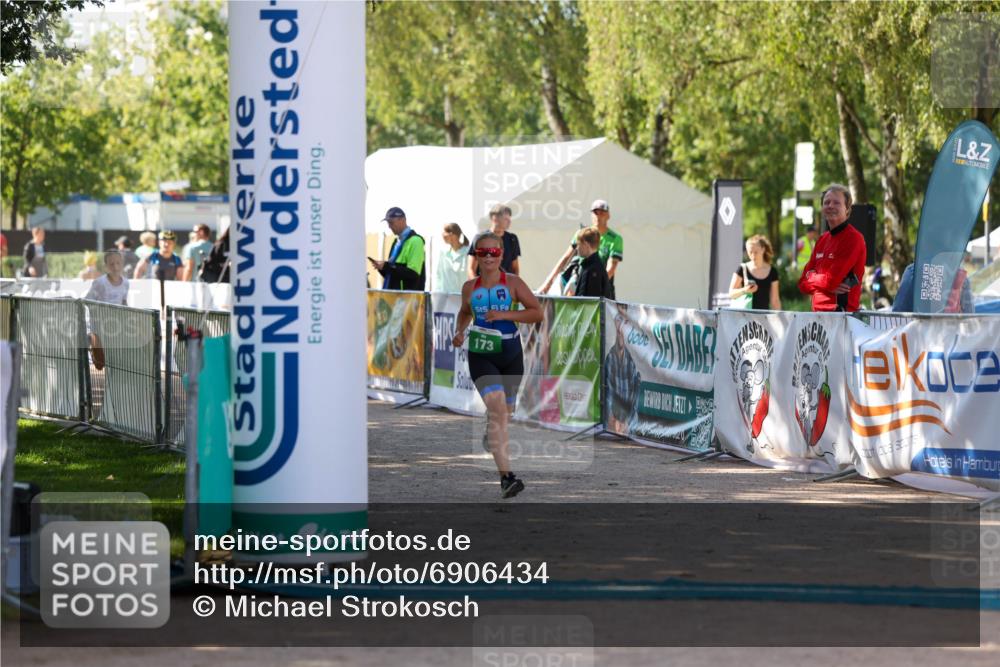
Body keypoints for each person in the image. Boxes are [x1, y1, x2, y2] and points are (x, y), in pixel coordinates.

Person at [452, 232, 543, 499]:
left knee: (506, 412)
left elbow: (536, 312)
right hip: (482, 355)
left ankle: (492, 425)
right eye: (483, 253)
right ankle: (507, 478)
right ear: (476, 256)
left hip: (511, 355)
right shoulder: (470, 287)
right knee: (499, 410)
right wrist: (459, 332)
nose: (489, 257)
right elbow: (465, 312)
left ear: (501, 254)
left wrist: (505, 314)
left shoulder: (514, 283)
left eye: (494, 252)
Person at [797, 184, 866, 312]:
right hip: (817, 317)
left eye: (836, 203)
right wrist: (825, 284)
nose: (830, 206)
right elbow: (802, 284)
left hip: (841, 316)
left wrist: (812, 277)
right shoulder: (822, 239)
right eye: (827, 202)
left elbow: (831, 281)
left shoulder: (853, 238)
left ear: (847, 209)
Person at [540, 199, 623, 298]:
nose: (598, 216)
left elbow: (611, 268)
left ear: (608, 215)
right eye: (595, 212)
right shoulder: (583, 233)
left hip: (600, 285)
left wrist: (599, 282)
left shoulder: (615, 238)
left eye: (602, 213)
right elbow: (566, 258)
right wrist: (547, 284)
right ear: (591, 214)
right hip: (579, 280)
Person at [84, 250, 130, 370]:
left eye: (118, 263)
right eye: (111, 264)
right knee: (99, 365)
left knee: (115, 362)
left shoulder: (126, 283)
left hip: (116, 326)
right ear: (106, 267)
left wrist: (128, 315)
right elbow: (87, 301)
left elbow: (124, 302)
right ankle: (90, 341)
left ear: (122, 264)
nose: (115, 267)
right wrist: (102, 312)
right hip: (99, 326)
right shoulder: (100, 283)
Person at [605, 304, 641, 435]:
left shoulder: (632, 364)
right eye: (619, 319)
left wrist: (627, 425)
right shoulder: (609, 360)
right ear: (614, 322)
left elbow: (634, 408)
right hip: (612, 430)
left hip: (626, 431)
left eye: (625, 321)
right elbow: (607, 399)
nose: (621, 327)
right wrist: (614, 422)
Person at [370, 207, 426, 291]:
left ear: (402, 220)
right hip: (394, 297)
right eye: (388, 223)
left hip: (408, 299)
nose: (389, 226)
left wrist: (387, 266)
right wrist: (382, 268)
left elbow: (413, 274)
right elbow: (393, 275)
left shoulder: (416, 241)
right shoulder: (396, 241)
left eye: (391, 222)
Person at [892, 263, 974, 313]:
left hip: (915, 339)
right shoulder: (961, 278)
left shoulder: (912, 272)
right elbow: (970, 323)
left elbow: (897, 317)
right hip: (951, 339)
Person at [729, 234, 782, 310]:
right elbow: (731, 294)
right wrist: (745, 290)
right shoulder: (742, 268)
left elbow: (775, 300)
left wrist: (779, 319)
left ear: (763, 250)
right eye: (750, 252)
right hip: (744, 317)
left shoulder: (773, 271)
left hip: (763, 317)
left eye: (756, 252)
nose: (753, 255)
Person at [468, 204, 521, 277]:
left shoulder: (512, 239)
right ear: (495, 218)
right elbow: (471, 269)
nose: (509, 222)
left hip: (505, 286)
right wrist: (476, 287)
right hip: (483, 285)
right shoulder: (480, 238)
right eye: (506, 219)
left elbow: (515, 268)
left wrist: (514, 286)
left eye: (509, 219)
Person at [564, 226, 612, 298]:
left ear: (586, 245)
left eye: (578, 244)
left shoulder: (593, 269)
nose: (577, 248)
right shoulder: (590, 265)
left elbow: (589, 301)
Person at [435, 222, 470, 293]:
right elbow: (439, 276)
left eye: (444, 232)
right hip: (445, 298)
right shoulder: (443, 253)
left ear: (452, 235)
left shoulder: (468, 252)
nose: (442, 235)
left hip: (463, 297)